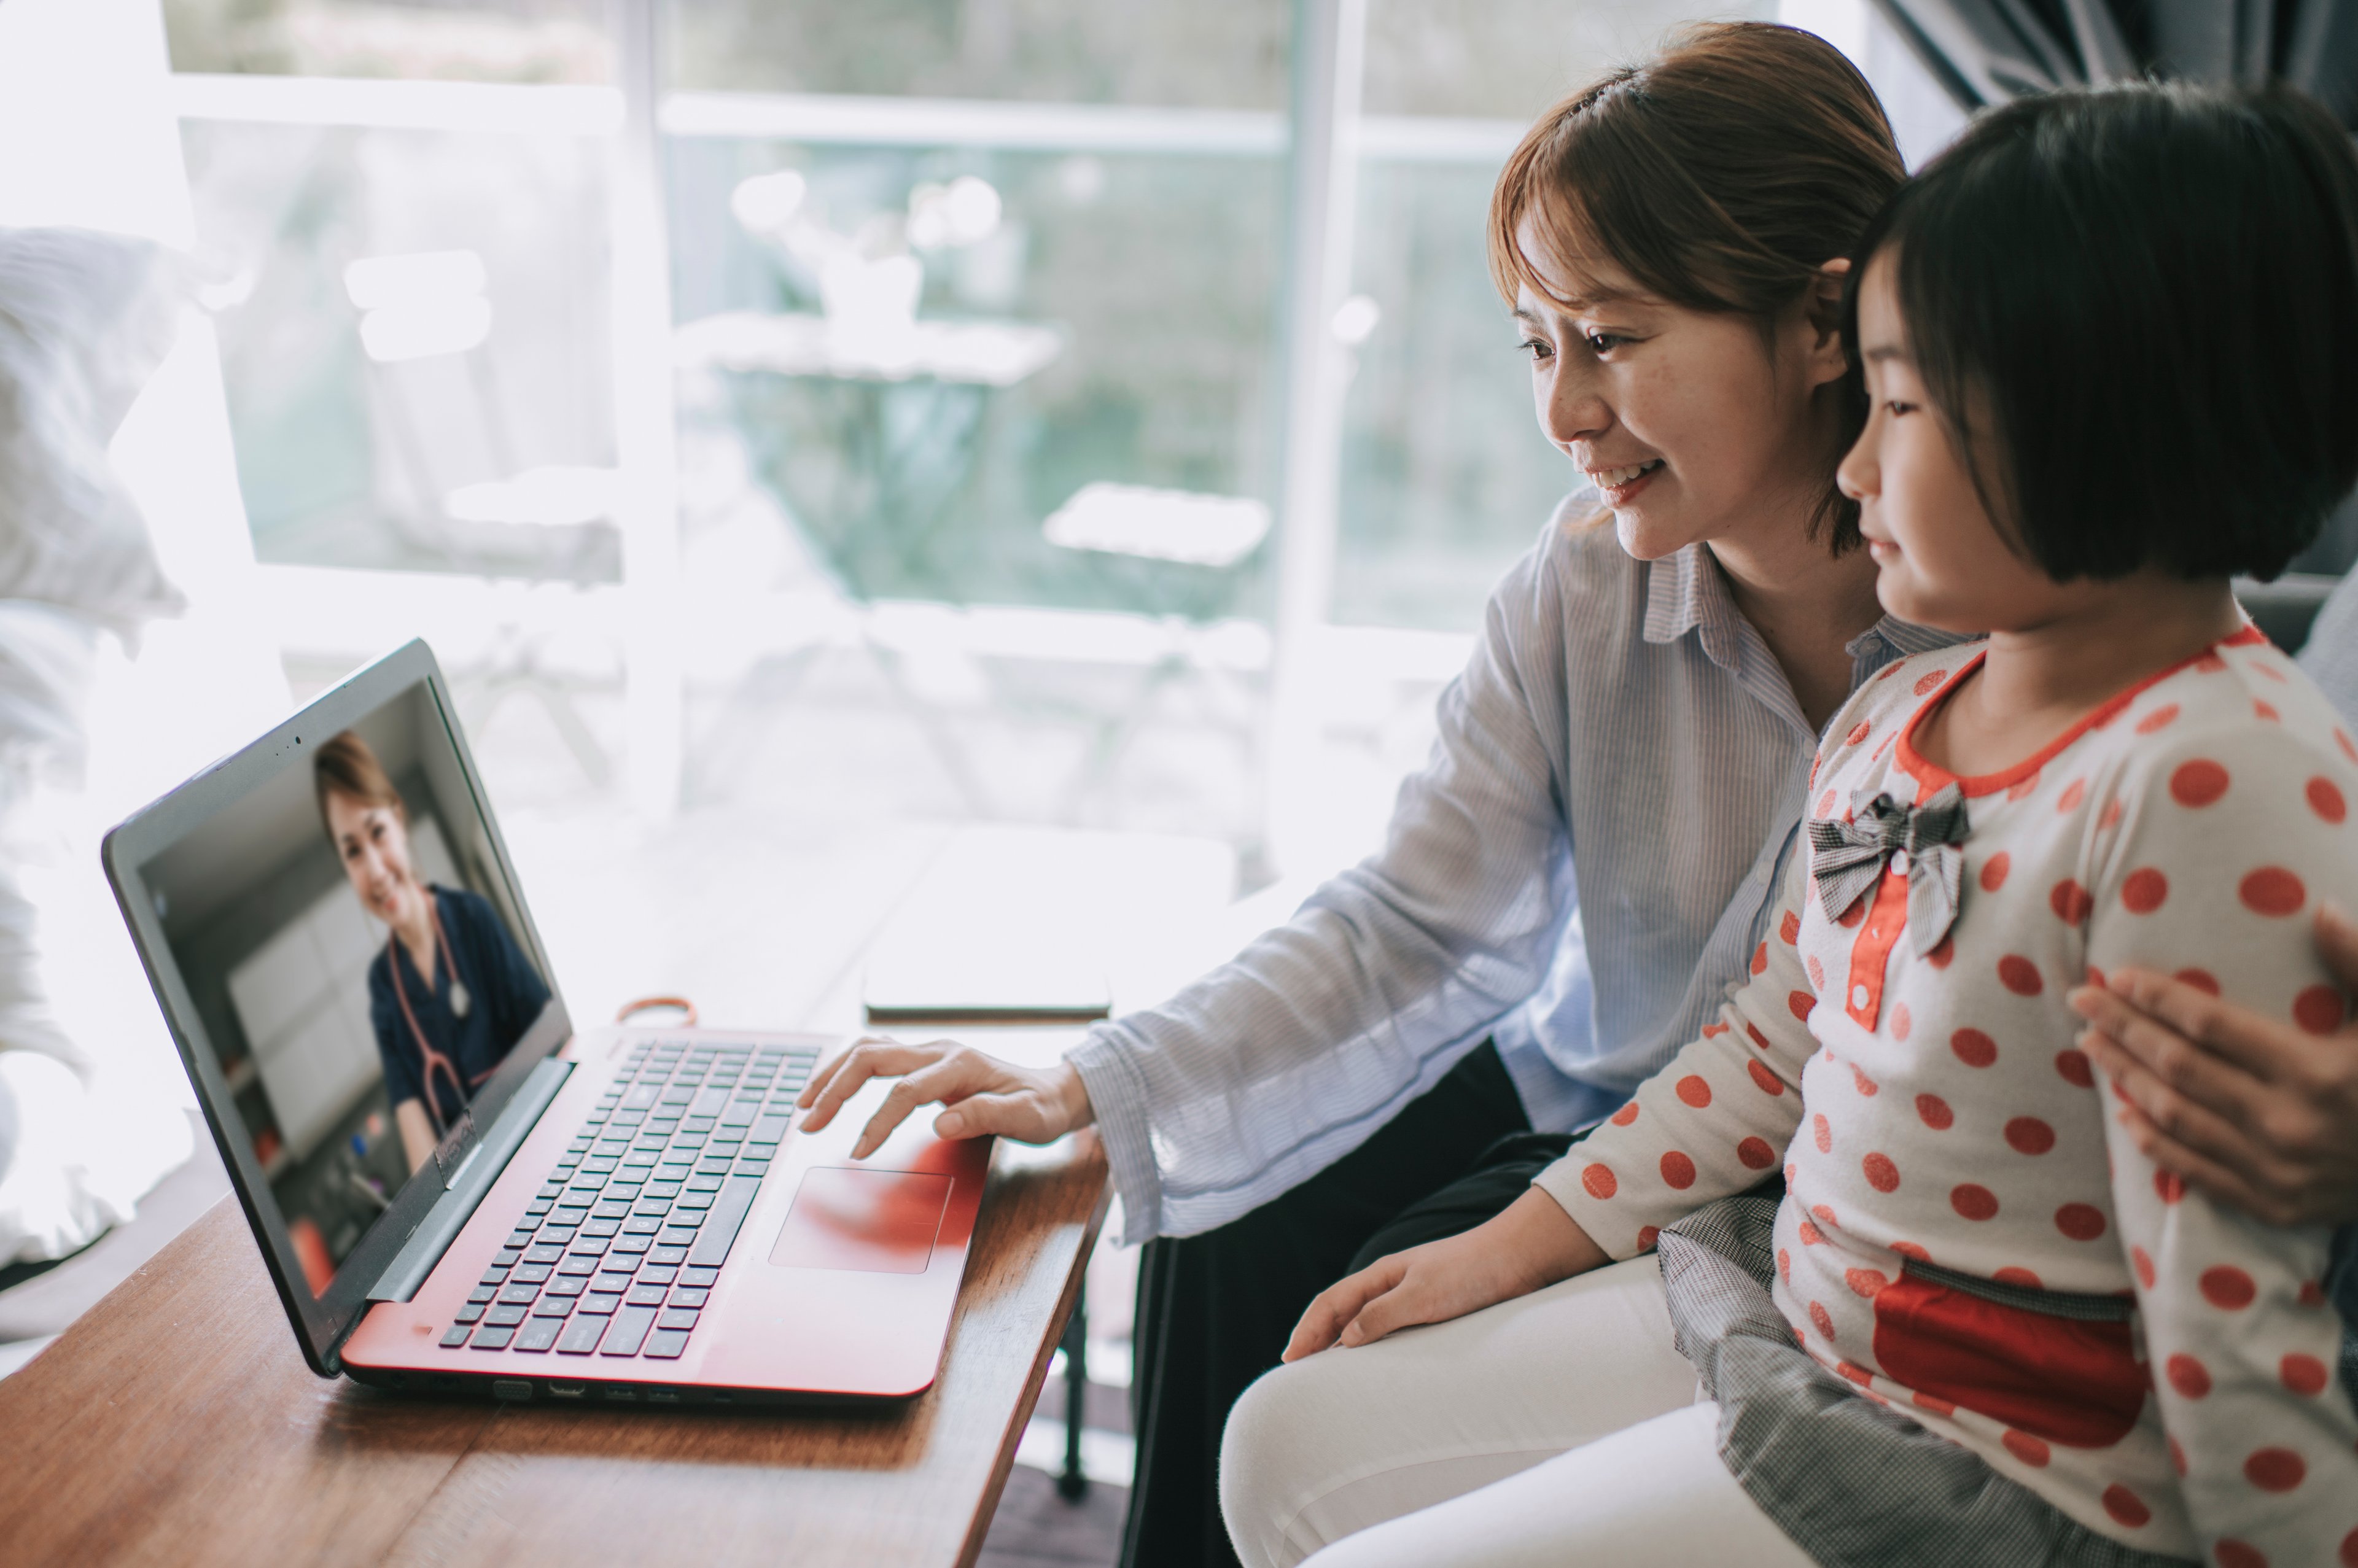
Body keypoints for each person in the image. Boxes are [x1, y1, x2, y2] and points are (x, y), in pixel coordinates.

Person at [795, 26, 2358, 1566]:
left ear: (1825, 326)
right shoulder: (1598, 588)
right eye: (1535, 344)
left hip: (1853, 1178)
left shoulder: (2050, 616)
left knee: (1364, 1309)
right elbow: (1416, 914)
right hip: (1610, 1081)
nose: (1561, 411)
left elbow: (2236, 1007)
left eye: (1609, 339)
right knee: (1228, 1225)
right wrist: (1096, 1076)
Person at [313, 731, 550, 1174]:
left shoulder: (471, 920)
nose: (377, 871)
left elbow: (552, 1042)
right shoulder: (384, 988)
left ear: (399, 822)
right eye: (353, 852)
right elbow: (417, 1133)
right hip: (471, 1184)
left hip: (539, 1140)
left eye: (378, 833)